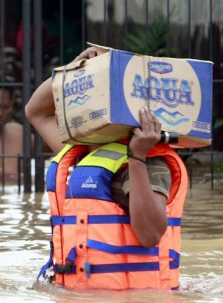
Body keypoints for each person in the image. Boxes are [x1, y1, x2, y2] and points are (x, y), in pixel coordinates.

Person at [25, 46, 188, 290]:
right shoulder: (84, 150)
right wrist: (72, 70)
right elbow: (35, 111)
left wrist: (138, 156)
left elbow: (151, 235)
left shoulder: (150, 160)